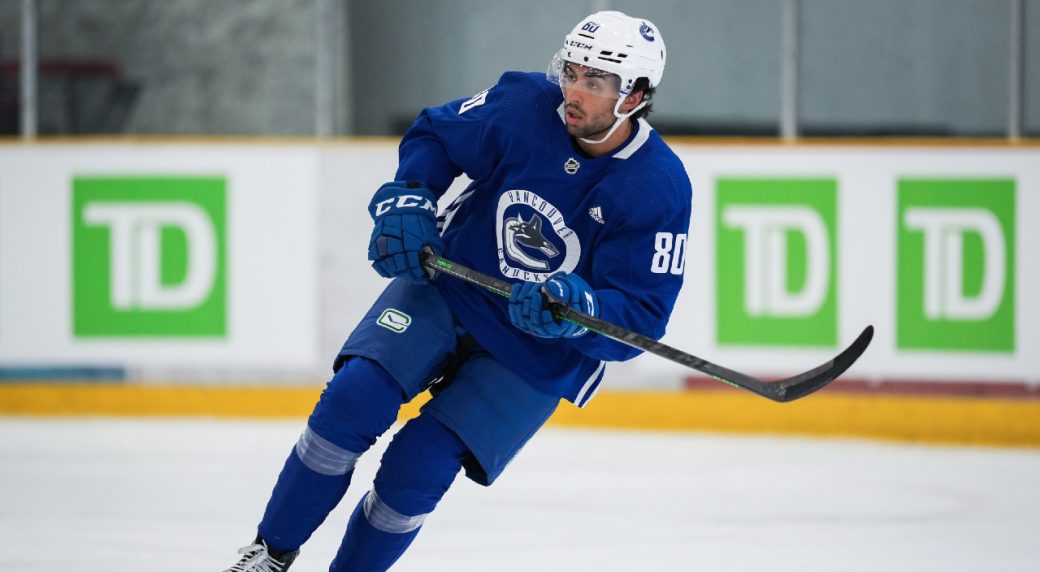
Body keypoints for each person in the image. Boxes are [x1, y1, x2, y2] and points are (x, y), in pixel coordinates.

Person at [223, 10, 691, 572]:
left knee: (417, 469)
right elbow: (435, 135)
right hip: (453, 286)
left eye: (595, 82)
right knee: (351, 402)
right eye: (571, 72)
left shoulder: (657, 186)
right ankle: (268, 555)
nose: (573, 91)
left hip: (537, 349)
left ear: (636, 95)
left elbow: (639, 319)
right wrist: (411, 197)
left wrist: (578, 310)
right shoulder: (524, 103)